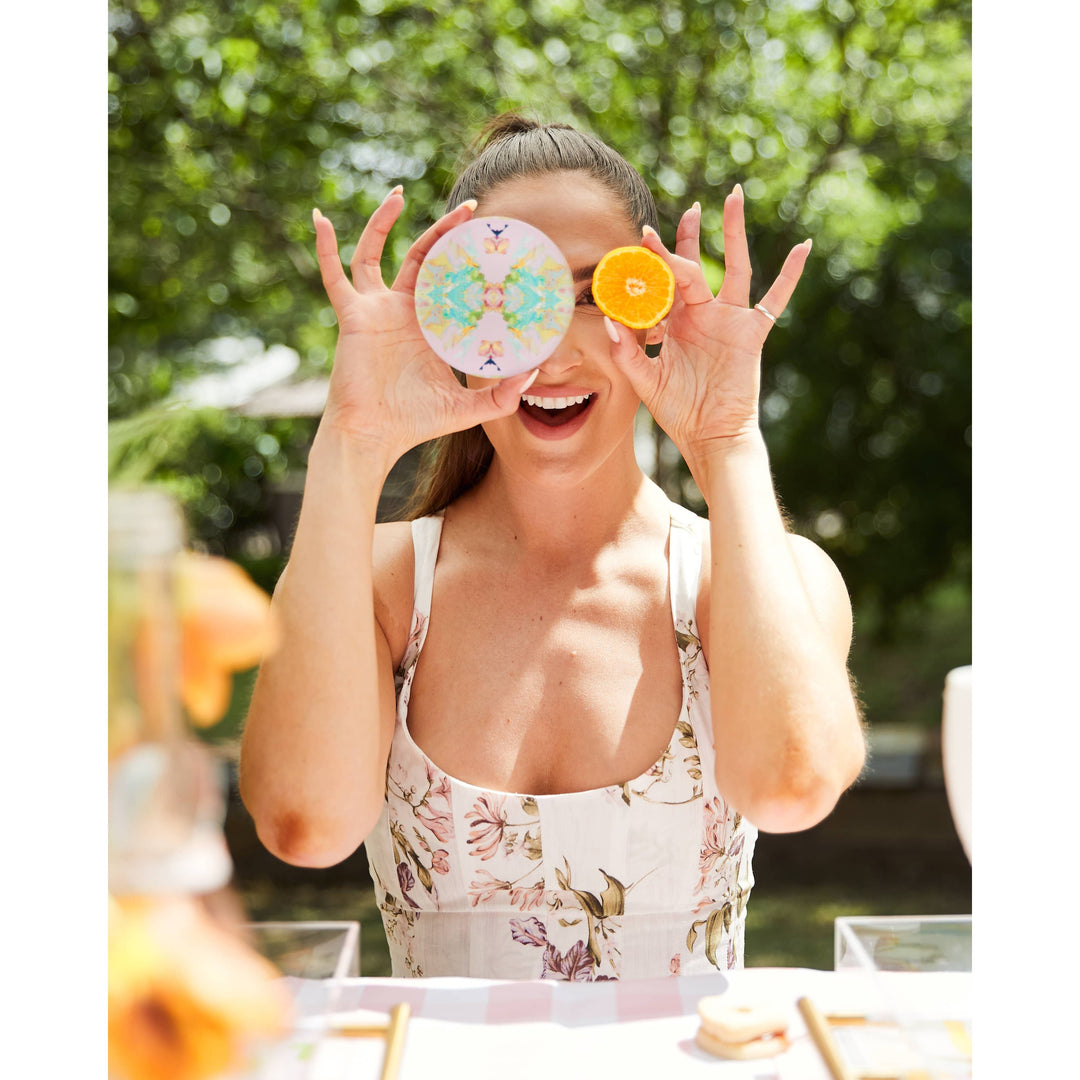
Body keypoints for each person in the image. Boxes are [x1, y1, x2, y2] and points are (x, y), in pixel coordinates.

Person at [239, 114, 865, 980]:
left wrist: (729, 442)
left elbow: (791, 790)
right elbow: (303, 826)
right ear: (447, 316)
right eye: (512, 295)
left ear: (652, 310)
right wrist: (351, 438)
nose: (558, 352)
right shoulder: (382, 586)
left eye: (594, 295)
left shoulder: (763, 578)